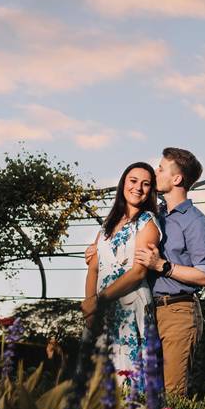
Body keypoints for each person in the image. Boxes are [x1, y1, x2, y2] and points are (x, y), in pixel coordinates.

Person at [86, 148, 205, 396]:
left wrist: (163, 266)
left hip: (178, 311)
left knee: (171, 392)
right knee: (146, 390)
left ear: (176, 179)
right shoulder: (156, 214)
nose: (155, 173)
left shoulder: (195, 221)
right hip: (147, 310)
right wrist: (98, 249)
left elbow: (204, 275)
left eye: (160, 169)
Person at [80, 162, 161, 391]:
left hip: (130, 305)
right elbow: (93, 268)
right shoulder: (107, 225)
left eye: (146, 184)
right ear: (123, 183)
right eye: (133, 181)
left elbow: (138, 272)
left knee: (127, 375)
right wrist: (89, 305)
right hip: (100, 308)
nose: (138, 188)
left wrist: (98, 301)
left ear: (150, 190)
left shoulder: (148, 223)